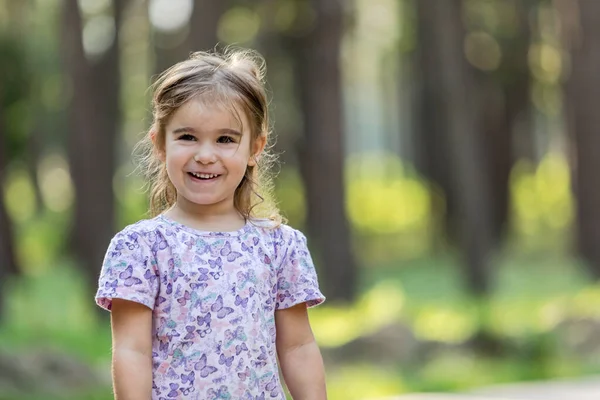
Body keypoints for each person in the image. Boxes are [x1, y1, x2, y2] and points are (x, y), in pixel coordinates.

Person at [95, 49, 327, 400]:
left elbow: (298, 348)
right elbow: (131, 351)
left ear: (255, 148)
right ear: (159, 143)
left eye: (225, 139)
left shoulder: (280, 246)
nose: (205, 154)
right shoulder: (141, 248)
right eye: (187, 137)